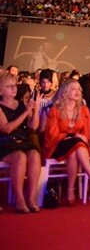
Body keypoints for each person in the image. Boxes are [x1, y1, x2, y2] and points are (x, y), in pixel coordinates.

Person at [43, 79, 90, 205]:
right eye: (73, 89)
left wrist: (78, 137)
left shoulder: (84, 110)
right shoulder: (55, 110)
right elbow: (51, 134)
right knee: (76, 143)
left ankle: (70, 192)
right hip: (57, 144)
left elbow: (86, 134)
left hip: (77, 146)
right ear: (65, 92)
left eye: (79, 89)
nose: (77, 92)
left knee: (74, 150)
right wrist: (72, 136)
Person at [0, 72, 41, 212]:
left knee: (35, 154)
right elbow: (6, 129)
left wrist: (35, 110)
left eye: (14, 85)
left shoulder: (22, 104)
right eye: (9, 86)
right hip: (5, 143)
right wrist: (26, 112)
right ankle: (19, 199)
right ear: (0, 90)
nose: (13, 88)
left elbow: (33, 127)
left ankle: (31, 197)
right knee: (20, 157)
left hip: (23, 141)